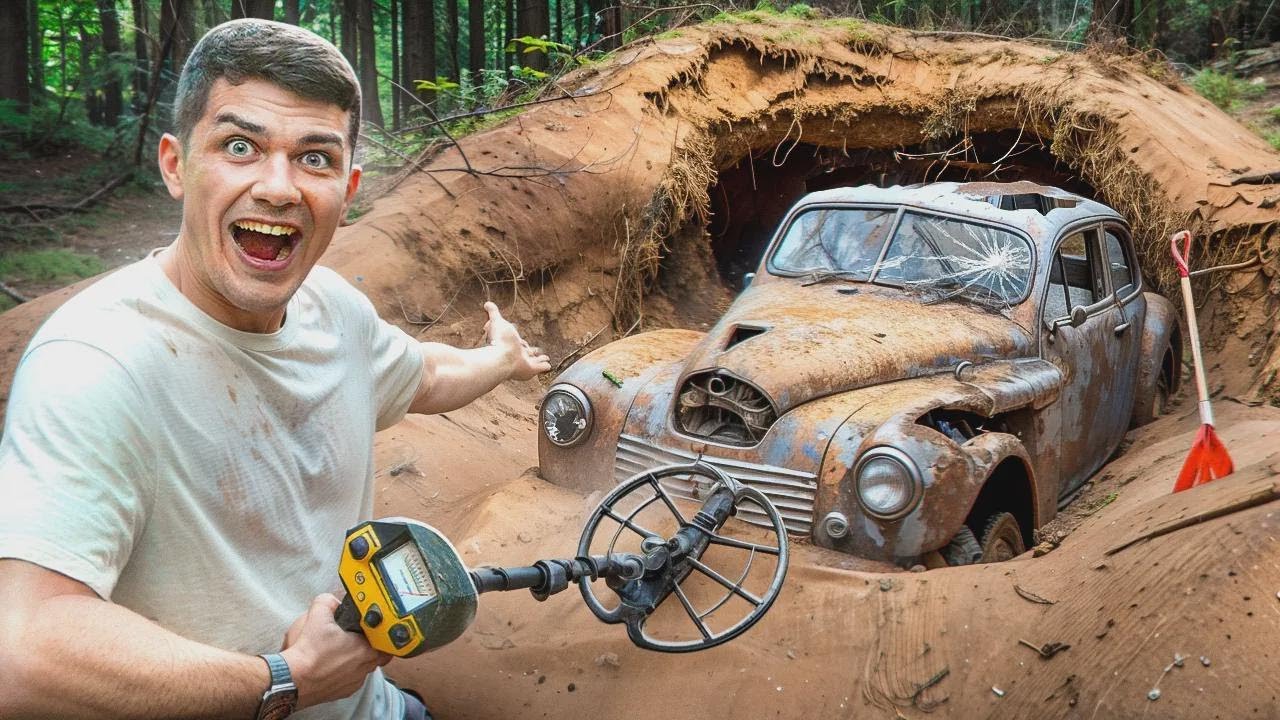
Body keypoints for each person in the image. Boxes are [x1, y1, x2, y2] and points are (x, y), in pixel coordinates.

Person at [0, 19, 549, 720]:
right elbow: (24, 653)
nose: (279, 187)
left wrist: (500, 360)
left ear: (347, 189)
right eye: (240, 147)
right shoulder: (95, 365)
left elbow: (424, 376)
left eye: (315, 159)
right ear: (175, 164)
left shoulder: (335, 312)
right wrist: (285, 679)